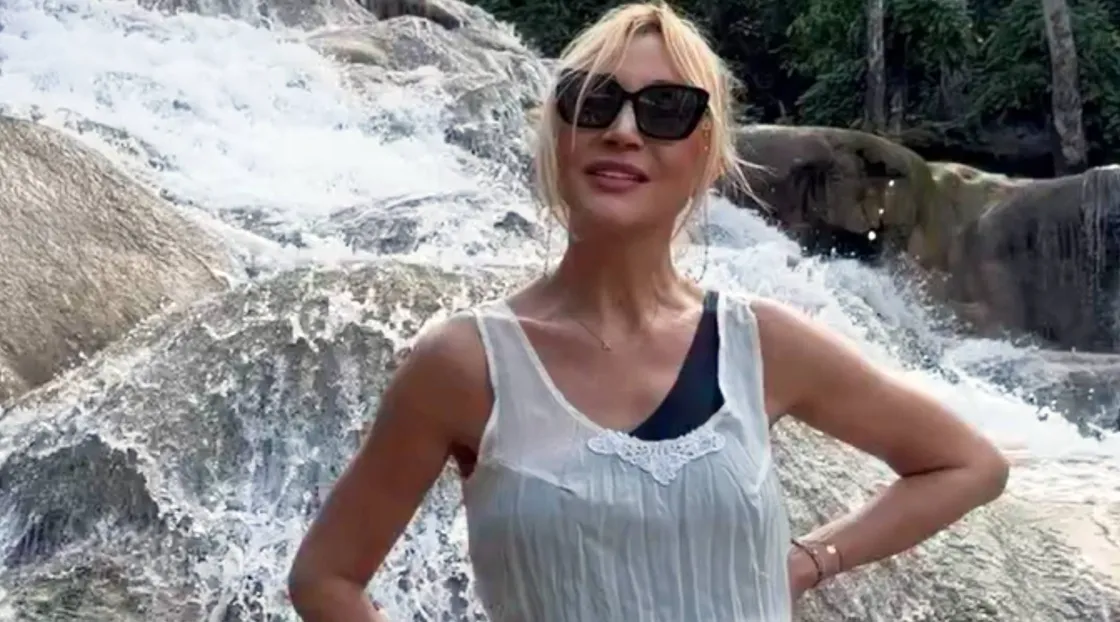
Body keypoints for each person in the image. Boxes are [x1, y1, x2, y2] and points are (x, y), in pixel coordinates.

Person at [286, 2, 1011, 620]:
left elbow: (968, 463)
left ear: (705, 151)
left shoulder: (759, 343)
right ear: (558, 134)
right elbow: (326, 577)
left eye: (666, 109)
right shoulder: (466, 365)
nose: (624, 130)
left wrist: (809, 561)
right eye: (594, 101)